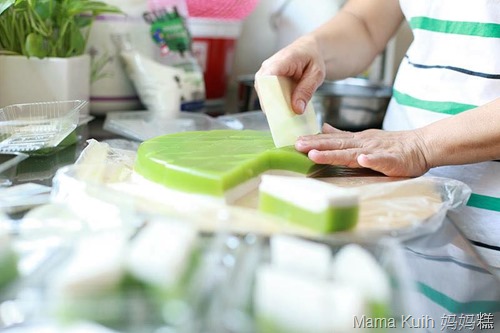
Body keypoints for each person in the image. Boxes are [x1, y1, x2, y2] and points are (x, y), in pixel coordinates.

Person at [256, 0, 500, 270]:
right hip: (401, 218)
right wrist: (314, 47)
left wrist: (420, 146)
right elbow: (365, 24)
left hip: (490, 243)